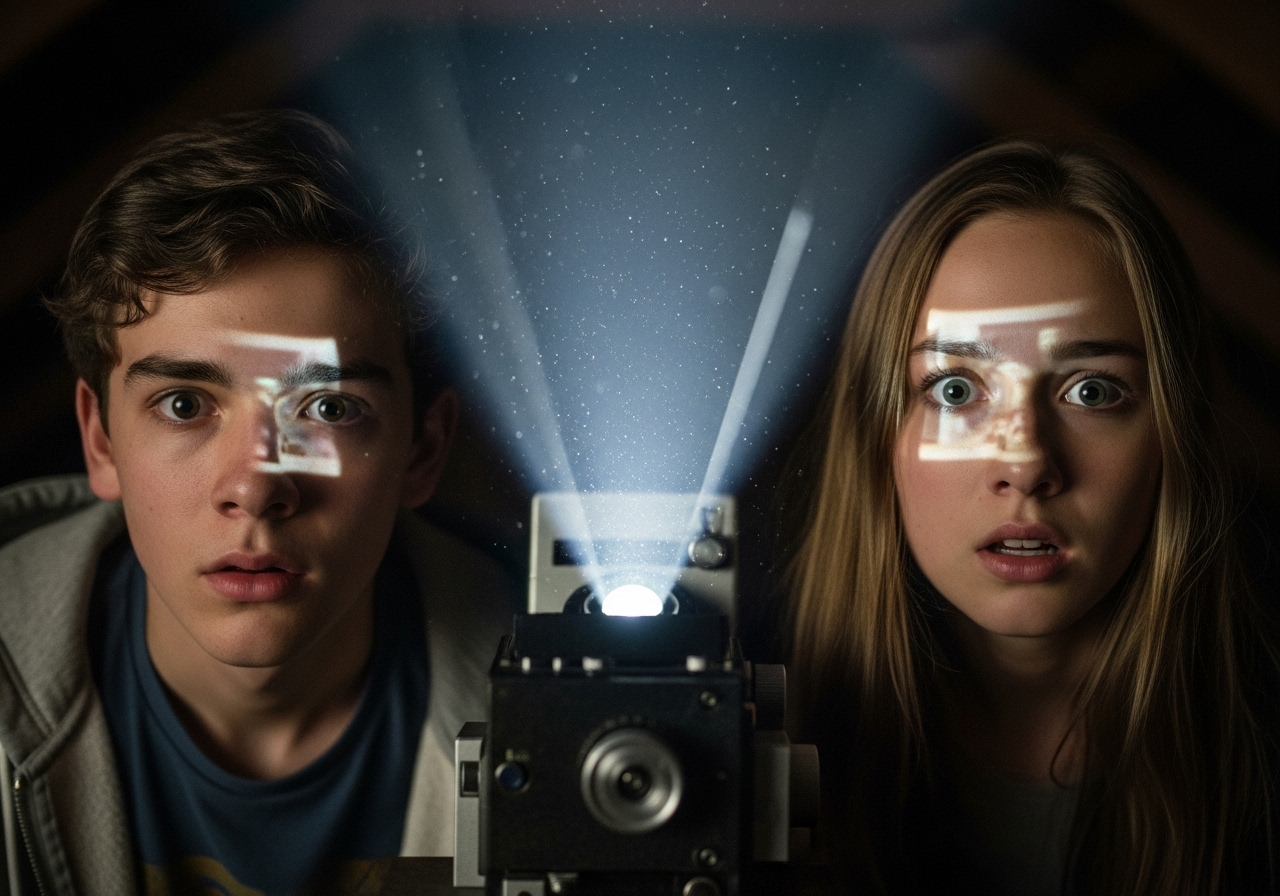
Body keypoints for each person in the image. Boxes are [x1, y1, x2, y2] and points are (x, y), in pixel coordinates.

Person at [0, 110, 516, 895]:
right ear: (100, 441)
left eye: (328, 409)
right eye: (183, 405)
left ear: (423, 450)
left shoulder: (562, 722)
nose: (255, 487)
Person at [786, 140, 1278, 895]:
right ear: (876, 434)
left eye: (1091, 391)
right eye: (955, 391)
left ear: (1174, 434)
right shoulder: (748, 734)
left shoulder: (1261, 759)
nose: (1025, 463)